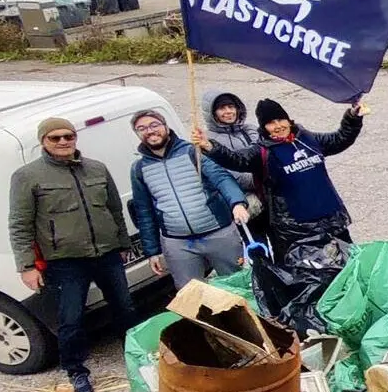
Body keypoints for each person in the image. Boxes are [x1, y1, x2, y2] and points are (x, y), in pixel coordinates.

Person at [9, 118, 135, 392]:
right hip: (65, 261)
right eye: (55, 138)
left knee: (125, 309)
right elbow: (20, 224)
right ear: (43, 141)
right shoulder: (28, 176)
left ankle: (137, 357)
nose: (63, 141)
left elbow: (114, 209)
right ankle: (76, 371)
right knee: (71, 318)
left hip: (107, 254)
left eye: (68, 136)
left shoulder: (97, 168)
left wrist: (123, 242)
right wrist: (26, 266)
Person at [197, 98, 363, 255]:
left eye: (280, 120)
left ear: (288, 120)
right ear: (264, 128)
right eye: (270, 123)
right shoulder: (262, 151)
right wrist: (209, 146)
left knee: (348, 263)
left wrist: (353, 117)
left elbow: (340, 139)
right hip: (295, 230)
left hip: (331, 219)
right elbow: (235, 159)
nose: (278, 126)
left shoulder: (307, 139)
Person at [128, 110, 248, 288]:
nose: (150, 131)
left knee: (239, 285)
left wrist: (237, 203)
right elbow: (144, 211)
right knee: (190, 294)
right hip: (178, 243)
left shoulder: (193, 151)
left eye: (154, 125)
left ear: (166, 127)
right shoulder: (138, 169)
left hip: (218, 232)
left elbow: (221, 177)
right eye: (142, 128)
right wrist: (152, 251)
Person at [202, 91, 263, 220]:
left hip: (266, 192)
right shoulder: (207, 141)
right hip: (241, 201)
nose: (228, 111)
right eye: (222, 108)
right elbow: (226, 174)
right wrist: (262, 179)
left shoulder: (251, 129)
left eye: (231, 107)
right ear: (212, 113)